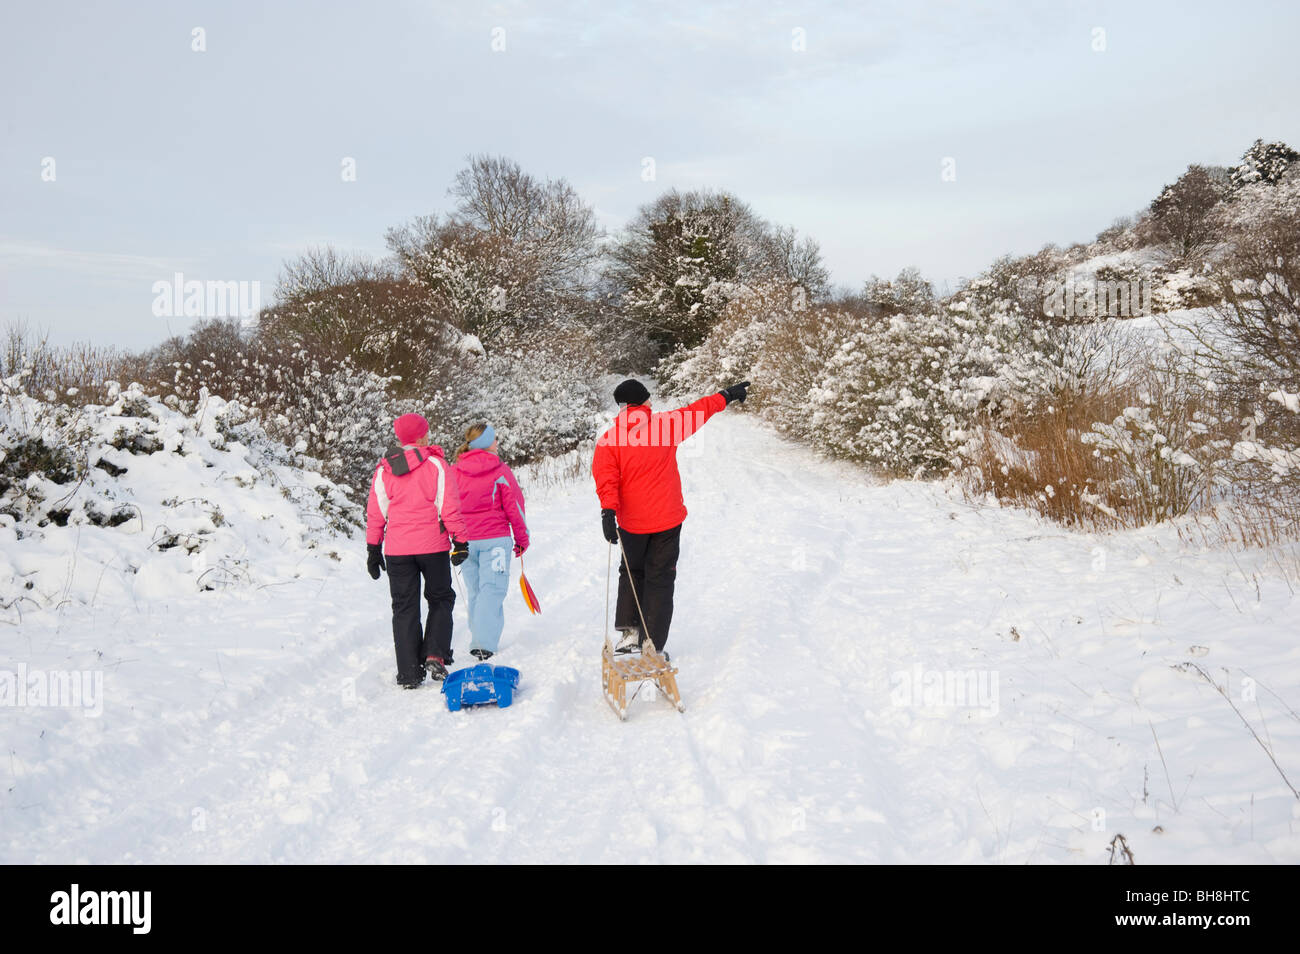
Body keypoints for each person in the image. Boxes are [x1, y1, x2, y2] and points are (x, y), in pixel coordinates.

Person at [591, 378, 750, 658]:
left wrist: (608, 511)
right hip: (667, 521)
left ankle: (629, 633)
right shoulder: (664, 426)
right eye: (648, 398)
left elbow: (607, 479)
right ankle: (652, 643)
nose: (652, 402)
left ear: (623, 406)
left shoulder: (609, 439)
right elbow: (698, 410)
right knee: (660, 579)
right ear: (642, 401)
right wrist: (726, 395)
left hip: (632, 524)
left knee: (632, 572)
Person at [365, 412, 468, 687]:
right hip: (432, 547)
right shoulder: (436, 464)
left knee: (404, 608)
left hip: (397, 550)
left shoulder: (383, 470)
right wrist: (460, 540)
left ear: (400, 438)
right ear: (422, 435)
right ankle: (435, 652)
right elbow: (448, 506)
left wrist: (373, 548)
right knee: (441, 598)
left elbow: (376, 512)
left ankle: (409, 673)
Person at [449, 423, 530, 661]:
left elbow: (448, 505)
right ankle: (483, 643)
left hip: (465, 542)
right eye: (494, 439)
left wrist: (451, 536)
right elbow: (515, 507)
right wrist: (522, 537)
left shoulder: (455, 471)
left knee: (476, 590)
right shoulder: (500, 471)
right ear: (487, 443)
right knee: (491, 589)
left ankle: (480, 637)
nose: (497, 443)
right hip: (495, 539)